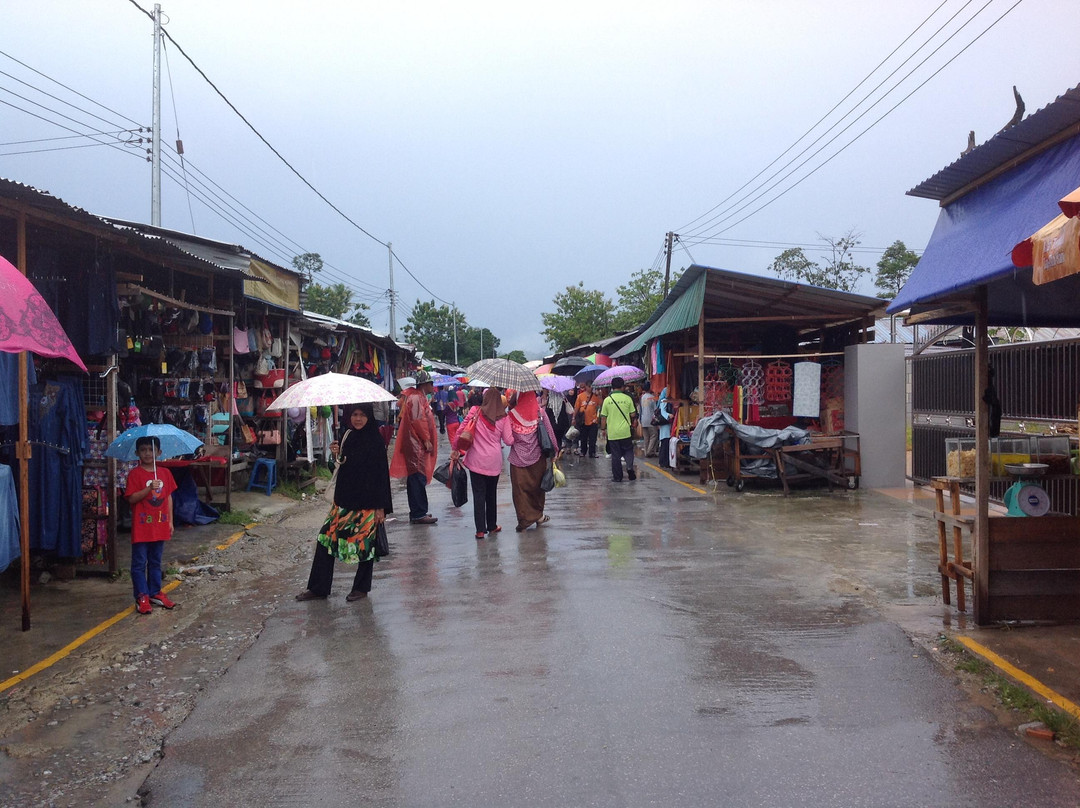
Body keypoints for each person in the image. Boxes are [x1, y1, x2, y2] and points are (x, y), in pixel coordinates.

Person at [297, 403, 393, 602]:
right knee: (325, 540)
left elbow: (381, 476)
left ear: (369, 417)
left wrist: (381, 508)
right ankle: (318, 588)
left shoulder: (375, 440)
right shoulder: (347, 436)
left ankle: (361, 588)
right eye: (354, 414)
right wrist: (335, 454)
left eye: (362, 415)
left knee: (365, 547)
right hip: (343, 501)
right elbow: (340, 466)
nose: (358, 419)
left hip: (367, 503)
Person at [124, 436, 178, 615]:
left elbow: (168, 498)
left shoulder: (165, 473)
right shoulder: (134, 474)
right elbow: (132, 498)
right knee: (139, 562)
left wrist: (170, 521)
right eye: (143, 450)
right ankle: (142, 595)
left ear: (159, 452)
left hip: (160, 525)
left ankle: (155, 592)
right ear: (137, 453)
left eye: (151, 450)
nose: (147, 453)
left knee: (156, 561)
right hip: (142, 527)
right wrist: (148, 489)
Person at [452, 387, 512, 539]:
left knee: (478, 494)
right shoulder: (504, 418)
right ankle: (492, 526)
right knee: (491, 494)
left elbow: (461, 431)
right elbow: (508, 440)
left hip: (476, 461)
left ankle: (480, 530)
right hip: (494, 462)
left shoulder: (475, 411)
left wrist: (455, 449)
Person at [506, 389, 560, 532]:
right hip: (537, 458)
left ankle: (524, 520)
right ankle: (538, 515)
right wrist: (555, 451)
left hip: (517, 459)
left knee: (520, 491)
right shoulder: (540, 412)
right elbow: (550, 432)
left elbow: (508, 439)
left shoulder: (511, 415)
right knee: (537, 488)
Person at [390, 369, 439, 524]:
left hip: (415, 443)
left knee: (416, 478)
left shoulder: (417, 397)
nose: (433, 386)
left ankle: (418, 512)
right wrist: (426, 439)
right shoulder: (417, 398)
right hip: (416, 445)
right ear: (425, 384)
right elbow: (418, 420)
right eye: (431, 383)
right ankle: (419, 513)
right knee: (417, 477)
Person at [599, 377, 639, 482]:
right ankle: (629, 468)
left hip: (613, 433)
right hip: (625, 431)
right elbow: (633, 414)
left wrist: (603, 429)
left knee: (616, 455)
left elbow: (603, 418)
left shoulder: (607, 400)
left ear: (612, 387)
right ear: (622, 387)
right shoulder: (627, 398)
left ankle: (617, 477)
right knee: (628, 451)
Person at [574, 382, 602, 458]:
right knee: (583, 438)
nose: (590, 388)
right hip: (583, 421)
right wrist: (574, 418)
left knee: (593, 438)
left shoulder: (595, 397)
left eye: (591, 387)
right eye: (589, 386)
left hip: (593, 420)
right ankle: (583, 451)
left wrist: (600, 396)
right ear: (586, 386)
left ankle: (592, 452)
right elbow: (576, 407)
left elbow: (600, 405)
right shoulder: (580, 396)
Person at [657, 387, 674, 469]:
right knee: (665, 443)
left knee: (665, 443)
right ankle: (664, 462)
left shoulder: (666, 400)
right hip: (665, 425)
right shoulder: (664, 401)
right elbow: (662, 411)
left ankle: (663, 462)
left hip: (665, 425)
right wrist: (668, 415)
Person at [639, 386, 658, 457]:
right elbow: (655, 409)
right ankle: (649, 451)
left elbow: (640, 409)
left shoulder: (642, 397)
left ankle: (646, 452)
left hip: (643, 419)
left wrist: (640, 419)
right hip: (651, 419)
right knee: (654, 435)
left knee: (646, 437)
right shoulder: (652, 397)